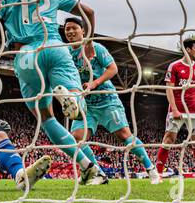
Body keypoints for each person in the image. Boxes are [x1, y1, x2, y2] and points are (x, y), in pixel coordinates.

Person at [0, 0, 107, 185]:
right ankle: (73, 101)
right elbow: (89, 11)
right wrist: (88, 42)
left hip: (27, 56)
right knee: (76, 95)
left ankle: (87, 166)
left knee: (46, 118)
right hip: (55, 48)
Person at [62, 18, 159, 184]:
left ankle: (152, 170)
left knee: (124, 135)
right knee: (77, 138)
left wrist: (95, 83)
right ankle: (99, 174)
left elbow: (113, 68)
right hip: (86, 104)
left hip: (107, 99)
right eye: (67, 29)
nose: (70, 32)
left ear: (83, 31)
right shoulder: (65, 54)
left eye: (74, 28)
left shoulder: (95, 48)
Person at [158, 36, 195, 183]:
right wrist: (174, 109)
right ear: (187, 49)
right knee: (169, 140)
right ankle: (157, 174)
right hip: (177, 110)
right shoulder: (174, 66)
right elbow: (169, 89)